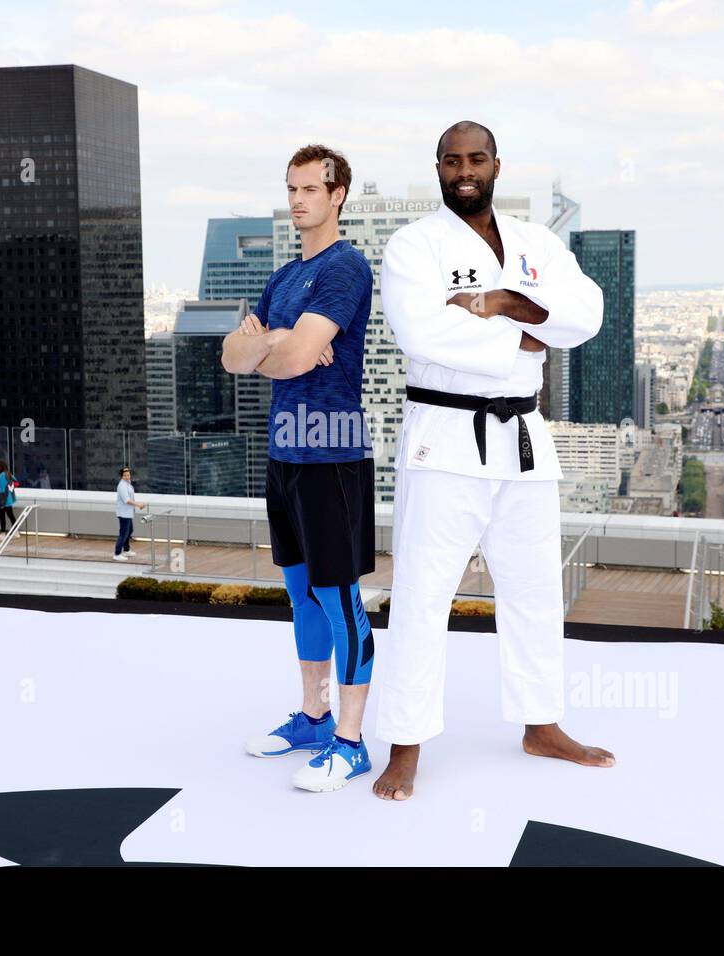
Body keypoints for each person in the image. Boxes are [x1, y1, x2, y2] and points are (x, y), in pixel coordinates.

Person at [372, 121, 615, 801]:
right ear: (440, 169)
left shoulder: (537, 242)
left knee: (535, 588)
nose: (464, 170)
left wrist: (502, 303)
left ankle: (542, 725)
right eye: (452, 161)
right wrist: (528, 335)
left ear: (497, 165)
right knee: (423, 595)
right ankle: (405, 745)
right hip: (444, 437)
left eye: (476, 158)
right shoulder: (413, 245)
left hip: (524, 439)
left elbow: (586, 314)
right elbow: (421, 330)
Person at [221, 143, 377, 792]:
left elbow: (286, 356)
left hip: (332, 457)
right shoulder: (283, 276)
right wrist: (278, 346)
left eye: (310, 189)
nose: (296, 200)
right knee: (300, 596)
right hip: (283, 454)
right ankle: (313, 718)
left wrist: (278, 345)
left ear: (338, 195)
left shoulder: (347, 269)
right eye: (291, 189)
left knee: (342, 603)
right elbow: (233, 355)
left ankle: (351, 740)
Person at [113, 466, 146, 561]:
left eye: (128, 475)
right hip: (123, 513)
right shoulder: (122, 486)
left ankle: (126, 550)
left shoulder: (128, 483)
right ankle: (117, 553)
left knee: (130, 530)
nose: (127, 477)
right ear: (121, 476)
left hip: (128, 512)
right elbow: (127, 500)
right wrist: (138, 504)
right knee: (123, 533)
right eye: (125, 475)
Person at [0, 459, 17, 540]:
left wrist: (2, 503)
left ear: (0, 466)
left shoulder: (2, 475)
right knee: (11, 516)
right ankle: (16, 532)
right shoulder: (8, 473)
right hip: (9, 499)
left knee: (2, 516)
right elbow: (15, 482)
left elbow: (2, 490)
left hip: (3, 500)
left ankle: (3, 533)